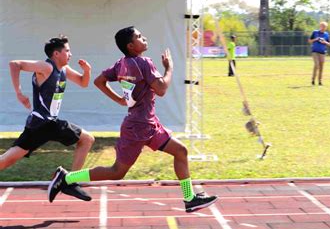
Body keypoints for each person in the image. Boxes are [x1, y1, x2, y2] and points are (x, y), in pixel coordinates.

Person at [47, 26, 218, 213]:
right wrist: (169, 68)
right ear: (130, 46)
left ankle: (189, 198)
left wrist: (120, 100)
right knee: (116, 172)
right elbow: (161, 89)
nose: (143, 38)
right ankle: (67, 178)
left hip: (146, 123)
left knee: (180, 151)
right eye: (139, 37)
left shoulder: (121, 64)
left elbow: (99, 81)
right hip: (140, 127)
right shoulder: (144, 63)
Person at [2, 36, 94, 201]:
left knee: (6, 160)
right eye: (67, 51)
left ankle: (68, 180)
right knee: (87, 140)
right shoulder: (46, 67)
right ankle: (68, 181)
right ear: (56, 54)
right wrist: (19, 93)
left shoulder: (64, 69)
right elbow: (15, 64)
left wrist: (87, 71)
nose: (70, 54)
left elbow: (83, 82)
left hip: (39, 125)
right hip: (45, 122)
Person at [308, 22, 330, 86]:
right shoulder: (315, 32)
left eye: (324, 26)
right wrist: (316, 39)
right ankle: (313, 79)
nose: (323, 27)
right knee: (317, 65)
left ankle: (320, 81)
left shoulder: (326, 34)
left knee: (321, 67)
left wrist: (324, 42)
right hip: (315, 51)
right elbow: (309, 41)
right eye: (322, 26)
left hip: (322, 53)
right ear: (320, 26)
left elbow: (329, 44)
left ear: (326, 27)